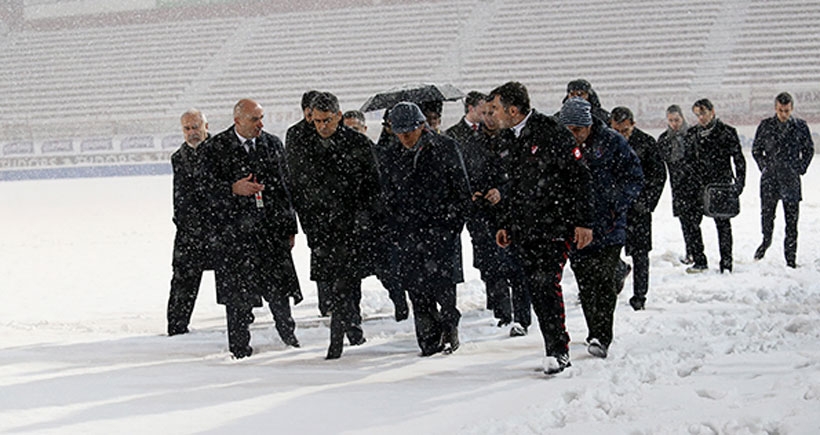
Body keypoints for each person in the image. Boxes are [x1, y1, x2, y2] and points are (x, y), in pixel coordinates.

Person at [490, 82, 594, 375]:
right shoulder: (507, 139)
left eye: (496, 108)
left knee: (546, 282)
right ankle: (553, 344)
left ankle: (558, 350)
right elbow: (510, 186)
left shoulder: (551, 131)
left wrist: (583, 221)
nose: (493, 114)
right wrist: (504, 223)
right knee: (536, 287)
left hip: (554, 225)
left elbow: (580, 178)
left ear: (512, 109)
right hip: (523, 228)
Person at [201, 99, 303, 359]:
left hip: (270, 234)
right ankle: (239, 348)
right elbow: (203, 192)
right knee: (237, 300)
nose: (260, 124)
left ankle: (289, 339)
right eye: (254, 119)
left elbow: (284, 188)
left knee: (279, 294)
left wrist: (290, 227)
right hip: (234, 238)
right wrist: (232, 189)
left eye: (261, 118)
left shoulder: (272, 144)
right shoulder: (215, 148)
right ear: (237, 121)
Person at [286, 92, 381, 359]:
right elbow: (298, 190)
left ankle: (343, 336)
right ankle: (348, 332)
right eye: (316, 121)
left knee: (348, 285)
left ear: (339, 117)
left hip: (353, 228)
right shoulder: (304, 145)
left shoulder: (358, 144)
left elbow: (374, 188)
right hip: (322, 229)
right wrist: (311, 226)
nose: (322, 126)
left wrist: (364, 222)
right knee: (336, 286)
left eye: (327, 120)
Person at [376, 101, 471, 356]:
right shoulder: (389, 155)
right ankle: (428, 338)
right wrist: (394, 227)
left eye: (409, 131)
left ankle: (450, 327)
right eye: (399, 132)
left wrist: (451, 224)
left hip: (440, 231)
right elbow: (386, 195)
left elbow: (461, 190)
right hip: (408, 233)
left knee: (444, 289)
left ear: (421, 126)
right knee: (417, 293)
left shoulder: (445, 147)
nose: (405, 137)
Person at [561, 98, 643, 359]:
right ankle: (593, 329)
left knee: (605, 281)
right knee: (586, 283)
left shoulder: (612, 141)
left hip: (609, 225)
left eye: (578, 130)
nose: (573, 136)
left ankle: (602, 336)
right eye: (569, 129)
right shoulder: (559, 144)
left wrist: (615, 202)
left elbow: (634, 176)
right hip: (576, 227)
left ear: (588, 126)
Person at [460, 97, 531, 335]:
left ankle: (522, 316)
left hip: (511, 212)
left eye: (493, 112)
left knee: (517, 265)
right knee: (492, 265)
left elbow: (523, 175)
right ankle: (503, 313)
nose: (489, 118)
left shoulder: (513, 139)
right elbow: (463, 174)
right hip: (481, 214)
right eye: (485, 113)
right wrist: (473, 192)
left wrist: (503, 191)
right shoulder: (471, 142)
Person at [610, 107, 666, 311]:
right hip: (614, 208)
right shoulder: (607, 141)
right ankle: (617, 277)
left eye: (625, 130)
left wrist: (648, 202)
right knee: (609, 251)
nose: (621, 135)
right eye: (617, 130)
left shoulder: (646, 142)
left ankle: (640, 295)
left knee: (640, 253)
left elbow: (658, 175)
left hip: (639, 207)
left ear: (633, 124)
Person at [752, 92, 814, 268]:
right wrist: (764, 166)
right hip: (770, 179)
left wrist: (800, 168)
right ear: (775, 108)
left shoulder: (800, 126)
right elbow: (756, 150)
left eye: (786, 110)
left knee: (792, 222)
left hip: (790, 179)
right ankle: (766, 241)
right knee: (767, 217)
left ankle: (790, 258)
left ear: (792, 109)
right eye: (780, 110)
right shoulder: (765, 125)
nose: (783, 114)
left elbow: (808, 149)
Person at [685, 98, 746, 274]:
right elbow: (687, 161)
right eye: (697, 114)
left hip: (721, 184)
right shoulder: (692, 134)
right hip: (698, 185)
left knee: (723, 224)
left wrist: (740, 183)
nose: (700, 118)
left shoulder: (727, 132)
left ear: (712, 111)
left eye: (703, 113)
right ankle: (700, 260)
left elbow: (739, 159)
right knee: (692, 223)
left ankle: (726, 263)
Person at [167, 109, 212, 336]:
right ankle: (176, 327)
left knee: (236, 278)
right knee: (182, 278)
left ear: (206, 125)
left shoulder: (220, 150)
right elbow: (179, 196)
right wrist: (185, 224)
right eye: (187, 128)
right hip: (189, 231)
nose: (192, 132)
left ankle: (244, 320)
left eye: (195, 127)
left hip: (220, 228)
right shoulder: (178, 157)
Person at [657, 105, 699, 265]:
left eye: (677, 120)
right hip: (677, 186)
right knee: (685, 221)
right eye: (671, 120)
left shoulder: (693, 135)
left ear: (682, 118)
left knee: (694, 221)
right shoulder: (664, 139)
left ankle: (696, 252)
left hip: (694, 184)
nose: (674, 123)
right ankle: (691, 251)